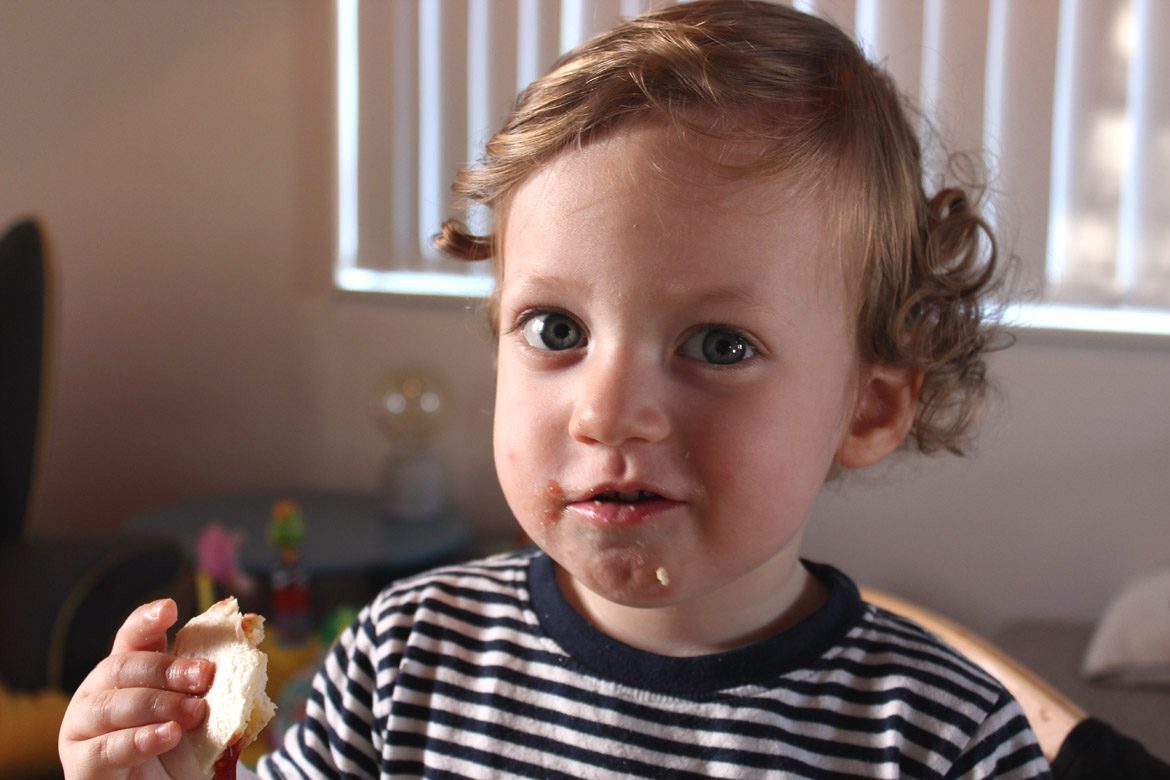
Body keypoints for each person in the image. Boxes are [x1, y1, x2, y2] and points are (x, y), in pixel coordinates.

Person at [59, 2, 1054, 777]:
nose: (605, 411)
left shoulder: (945, 741)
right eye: (557, 331)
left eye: (718, 344)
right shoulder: (404, 659)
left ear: (869, 407)